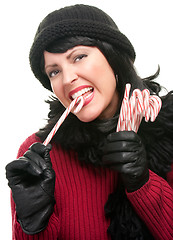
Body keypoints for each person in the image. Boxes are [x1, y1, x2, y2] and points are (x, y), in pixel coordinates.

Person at [5, 4, 173, 240]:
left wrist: (143, 183)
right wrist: (33, 222)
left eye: (79, 57)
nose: (68, 78)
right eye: (54, 71)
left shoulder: (168, 130)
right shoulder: (37, 157)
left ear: (112, 57)